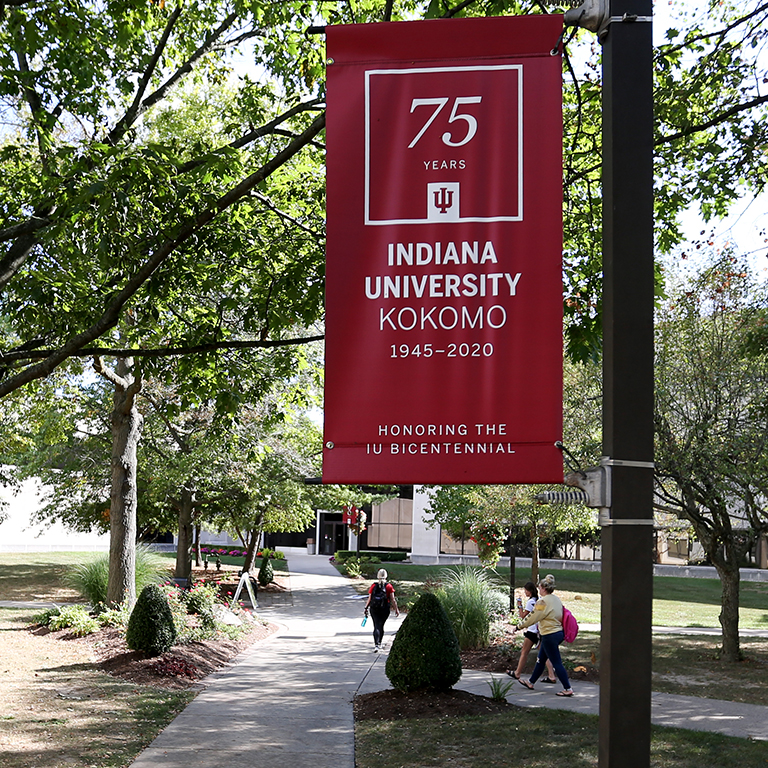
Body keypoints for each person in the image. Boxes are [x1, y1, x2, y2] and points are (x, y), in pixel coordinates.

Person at [512, 573, 574, 696]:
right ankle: (531, 682)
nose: (538, 589)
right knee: (541, 660)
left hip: (549, 635)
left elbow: (532, 617)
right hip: (558, 633)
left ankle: (568, 689)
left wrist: (519, 626)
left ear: (544, 588)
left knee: (556, 662)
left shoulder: (542, 602)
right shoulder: (556, 599)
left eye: (539, 587)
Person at [506, 582, 556, 683]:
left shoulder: (530, 602)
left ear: (530, 591)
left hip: (532, 630)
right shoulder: (538, 601)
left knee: (524, 652)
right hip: (539, 630)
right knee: (543, 653)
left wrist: (519, 605)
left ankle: (517, 673)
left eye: (526, 590)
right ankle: (552, 675)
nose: (525, 592)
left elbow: (524, 616)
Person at [364, 568, 399, 652]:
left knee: (376, 625)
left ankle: (376, 644)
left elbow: (370, 598)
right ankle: (379, 643)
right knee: (381, 625)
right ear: (386, 576)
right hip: (384, 608)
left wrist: (366, 607)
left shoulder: (373, 586)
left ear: (378, 576)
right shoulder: (389, 586)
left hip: (374, 608)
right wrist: (396, 609)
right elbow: (392, 599)